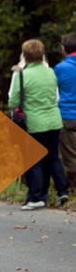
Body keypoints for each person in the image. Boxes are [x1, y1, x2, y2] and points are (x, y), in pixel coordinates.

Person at [9, 39, 69, 209]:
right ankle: (62, 191)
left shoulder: (22, 75)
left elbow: (13, 102)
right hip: (54, 121)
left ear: (24, 55)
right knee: (53, 157)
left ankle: (37, 197)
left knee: (33, 159)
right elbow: (56, 97)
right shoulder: (50, 72)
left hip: (34, 122)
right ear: (42, 54)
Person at [54, 33, 76, 190]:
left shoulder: (60, 68)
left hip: (67, 116)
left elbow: (53, 92)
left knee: (70, 156)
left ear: (64, 49)